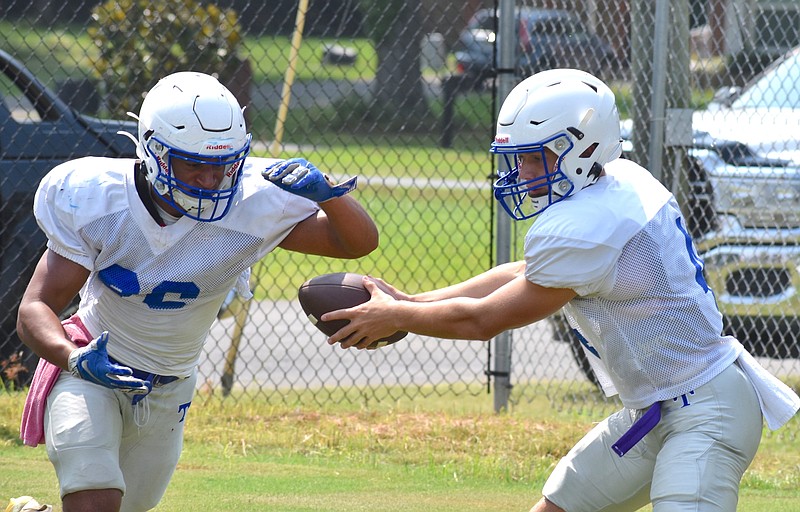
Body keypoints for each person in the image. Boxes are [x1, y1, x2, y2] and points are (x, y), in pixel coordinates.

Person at [324, 69, 800, 512]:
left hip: (707, 412)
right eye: (521, 158)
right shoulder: (618, 183)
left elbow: (483, 320)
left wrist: (399, 318)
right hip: (654, 411)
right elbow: (524, 273)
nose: (524, 172)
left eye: (535, 157)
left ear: (583, 148)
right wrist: (411, 301)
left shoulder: (586, 225)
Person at [16, 71, 378, 512]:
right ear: (154, 152)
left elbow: (359, 243)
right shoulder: (99, 199)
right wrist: (73, 358)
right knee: (95, 499)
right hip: (91, 367)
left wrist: (329, 196)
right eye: (195, 165)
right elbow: (34, 307)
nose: (211, 180)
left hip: (170, 386)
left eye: (224, 165)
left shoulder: (255, 201)